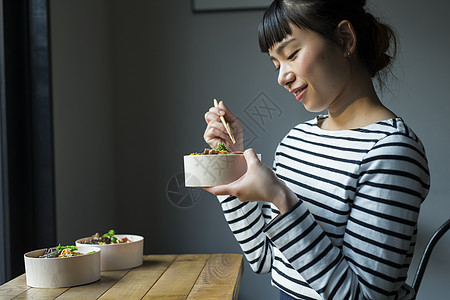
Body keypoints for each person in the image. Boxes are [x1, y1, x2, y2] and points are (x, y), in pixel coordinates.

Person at [202, 0, 430, 299]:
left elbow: (364, 297)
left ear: (345, 39)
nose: (281, 77)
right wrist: (232, 163)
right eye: (276, 64)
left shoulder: (391, 151)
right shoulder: (296, 139)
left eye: (292, 54)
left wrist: (280, 197)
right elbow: (264, 258)